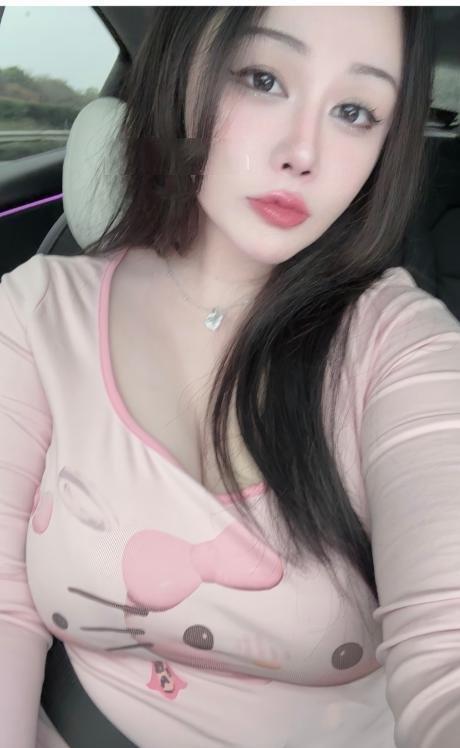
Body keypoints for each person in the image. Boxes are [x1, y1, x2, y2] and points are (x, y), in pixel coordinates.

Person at [1, 6, 460, 748]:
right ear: (184, 72)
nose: (303, 153)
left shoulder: (401, 344)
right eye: (263, 78)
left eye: (354, 112)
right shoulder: (35, 313)